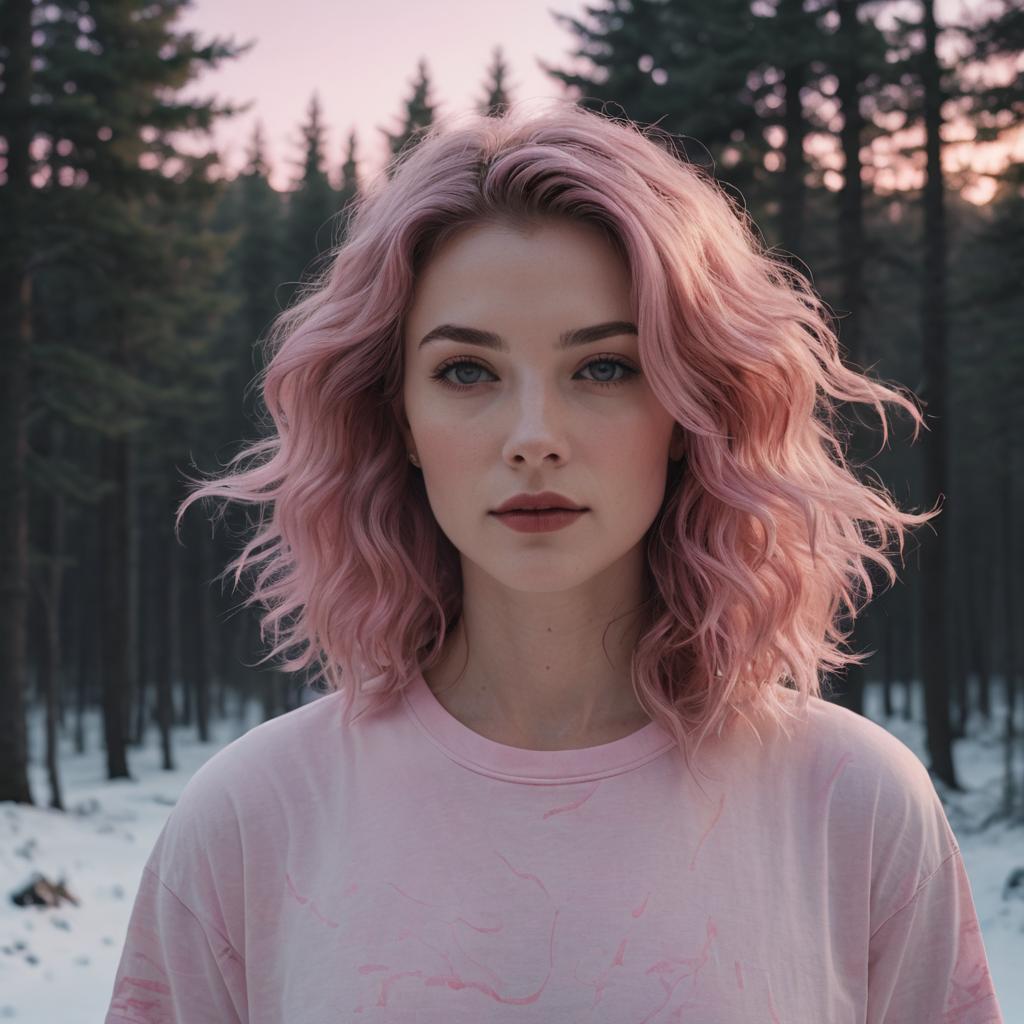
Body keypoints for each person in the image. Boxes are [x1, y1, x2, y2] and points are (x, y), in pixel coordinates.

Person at [104, 100, 1004, 1023]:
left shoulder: (854, 804)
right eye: (467, 371)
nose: (534, 437)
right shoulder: (251, 820)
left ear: (689, 411)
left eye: (604, 367)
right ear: (398, 419)